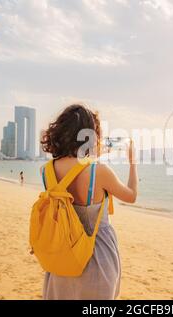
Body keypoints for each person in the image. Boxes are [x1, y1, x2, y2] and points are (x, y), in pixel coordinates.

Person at [39, 104, 138, 300]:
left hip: (62, 258)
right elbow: (131, 196)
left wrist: (94, 152)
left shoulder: (47, 170)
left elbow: (76, 166)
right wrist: (133, 163)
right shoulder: (99, 171)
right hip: (97, 258)